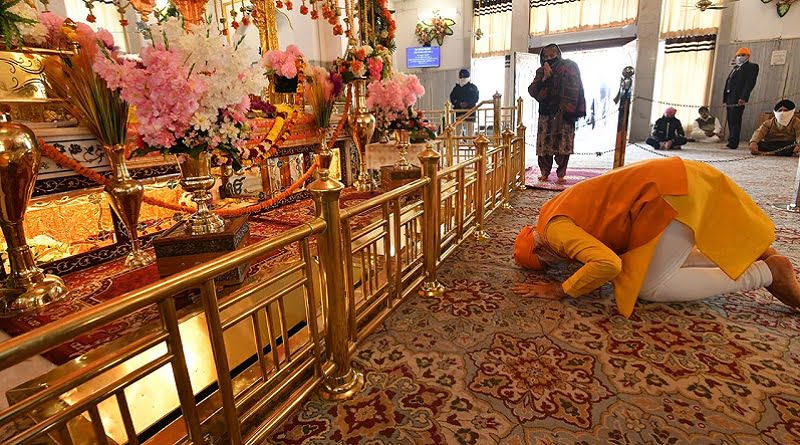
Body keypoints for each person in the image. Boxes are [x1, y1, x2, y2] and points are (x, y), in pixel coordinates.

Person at [511, 157, 800, 318]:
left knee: (650, 287)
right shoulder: (549, 211)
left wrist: (561, 289)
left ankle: (765, 273)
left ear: (541, 250)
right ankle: (749, 254)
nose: (557, 265)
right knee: (654, 262)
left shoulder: (555, 232)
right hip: (677, 180)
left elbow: (608, 264)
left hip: (670, 194)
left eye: (547, 265)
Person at [528, 43, 586, 184]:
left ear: (558, 55)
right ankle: (545, 173)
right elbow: (533, 91)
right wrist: (545, 79)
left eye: (552, 55)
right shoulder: (541, 71)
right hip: (546, 114)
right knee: (544, 146)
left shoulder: (569, 66)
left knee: (562, 146)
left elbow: (575, 87)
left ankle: (561, 173)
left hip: (564, 113)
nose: (549, 59)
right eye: (545, 56)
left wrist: (569, 108)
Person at [723, 47, 759, 150]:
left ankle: (733, 143)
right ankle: (731, 141)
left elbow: (749, 83)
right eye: (738, 55)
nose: (740, 57)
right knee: (730, 119)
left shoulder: (751, 67)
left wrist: (743, 97)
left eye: (743, 55)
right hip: (730, 97)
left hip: (738, 98)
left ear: (748, 56)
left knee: (735, 120)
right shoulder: (736, 68)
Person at [449, 69, 479, 136]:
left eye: (464, 77)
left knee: (470, 129)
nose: (462, 78)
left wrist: (467, 103)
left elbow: (476, 98)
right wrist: (459, 103)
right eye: (461, 77)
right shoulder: (456, 88)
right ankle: (457, 145)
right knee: (458, 129)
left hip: (470, 111)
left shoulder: (473, 87)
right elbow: (452, 98)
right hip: (459, 111)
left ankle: (470, 145)